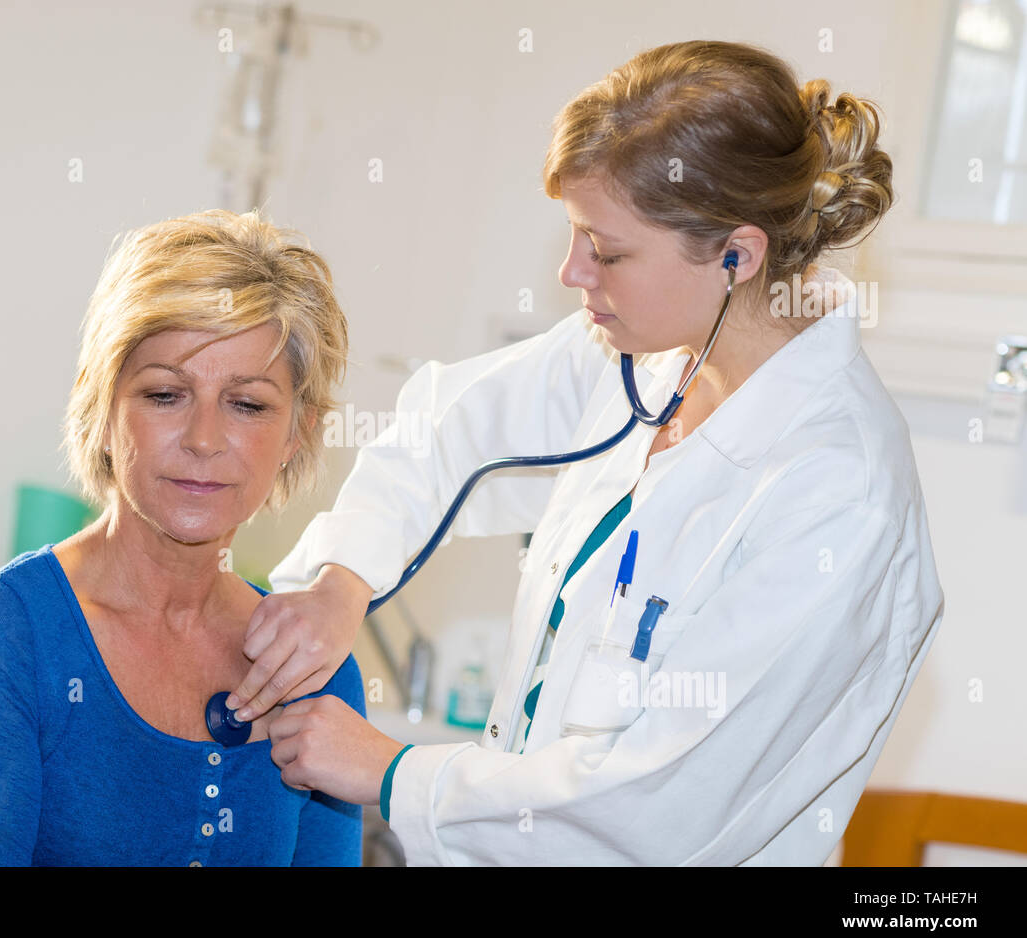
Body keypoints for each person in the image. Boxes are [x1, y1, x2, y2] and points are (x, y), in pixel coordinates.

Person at [231, 40, 945, 865]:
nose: (573, 273)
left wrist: (394, 775)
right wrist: (341, 581)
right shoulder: (637, 356)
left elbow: (656, 808)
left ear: (737, 255)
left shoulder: (837, 492)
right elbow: (443, 432)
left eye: (605, 251)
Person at [0, 209, 362, 866]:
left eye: (247, 404)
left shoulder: (312, 665)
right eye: (166, 394)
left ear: (297, 434)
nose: (203, 439)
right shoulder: (0, 639)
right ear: (104, 407)